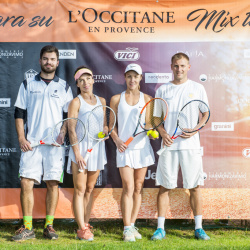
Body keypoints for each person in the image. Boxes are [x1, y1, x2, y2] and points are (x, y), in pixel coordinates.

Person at [13, 45, 73, 241]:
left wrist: (62, 134)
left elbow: (68, 116)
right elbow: (19, 113)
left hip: (54, 146)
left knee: (53, 183)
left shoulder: (64, 86)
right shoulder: (27, 84)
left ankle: (49, 226)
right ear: (40, 61)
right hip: (31, 144)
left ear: (57, 62)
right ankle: (28, 227)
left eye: (52, 59)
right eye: (45, 59)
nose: (49, 62)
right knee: (26, 182)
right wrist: (22, 138)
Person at [151, 52, 210, 241]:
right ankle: (160, 229)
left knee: (194, 187)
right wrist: (163, 133)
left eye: (183, 66)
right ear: (171, 67)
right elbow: (156, 117)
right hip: (168, 145)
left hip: (190, 145)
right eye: (176, 66)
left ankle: (199, 228)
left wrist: (195, 129)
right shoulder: (162, 90)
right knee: (164, 187)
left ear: (189, 67)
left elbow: (206, 114)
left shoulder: (198, 88)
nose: (179, 69)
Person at [110, 63, 155, 242]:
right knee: (128, 187)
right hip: (124, 148)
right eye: (129, 76)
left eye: (135, 76)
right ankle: (126, 227)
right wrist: (117, 140)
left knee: (138, 187)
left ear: (140, 78)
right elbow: (111, 126)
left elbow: (150, 124)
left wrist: (151, 131)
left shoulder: (148, 99)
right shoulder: (116, 99)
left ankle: (133, 224)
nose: (132, 80)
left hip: (142, 149)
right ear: (125, 77)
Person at [67, 66, 107, 241]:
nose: (85, 83)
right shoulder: (75, 102)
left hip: (97, 149)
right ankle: (81, 228)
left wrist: (105, 132)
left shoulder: (102, 101)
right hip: (81, 150)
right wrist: (77, 153)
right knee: (80, 189)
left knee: (90, 189)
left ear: (93, 80)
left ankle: (85, 224)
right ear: (77, 83)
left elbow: (104, 125)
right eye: (81, 80)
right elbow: (71, 129)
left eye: (88, 78)